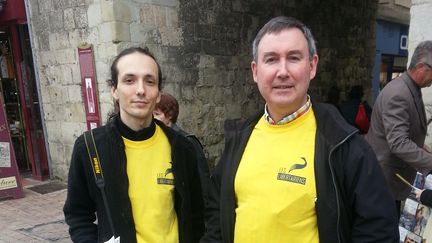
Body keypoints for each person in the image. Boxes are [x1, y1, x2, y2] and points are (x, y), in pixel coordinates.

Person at [204, 16, 398, 243]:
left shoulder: (344, 145)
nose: (282, 71)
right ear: (256, 71)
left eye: (294, 58)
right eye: (271, 59)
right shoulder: (239, 139)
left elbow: (378, 232)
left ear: (312, 66)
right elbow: (216, 214)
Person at [63, 47, 205, 243]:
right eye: (129, 80)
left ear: (158, 93)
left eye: (150, 81)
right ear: (114, 90)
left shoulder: (182, 148)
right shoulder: (89, 148)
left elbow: (197, 215)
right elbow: (78, 215)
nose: (141, 90)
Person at [366, 40, 432, 215]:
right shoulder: (399, 93)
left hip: (391, 181)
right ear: (421, 67)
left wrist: (424, 150)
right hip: (385, 182)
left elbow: (403, 133)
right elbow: (398, 143)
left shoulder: (409, 87)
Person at [153, 92, 212, 221]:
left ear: (169, 115)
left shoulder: (187, 142)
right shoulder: (154, 142)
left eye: (157, 114)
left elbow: (203, 185)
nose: (153, 119)